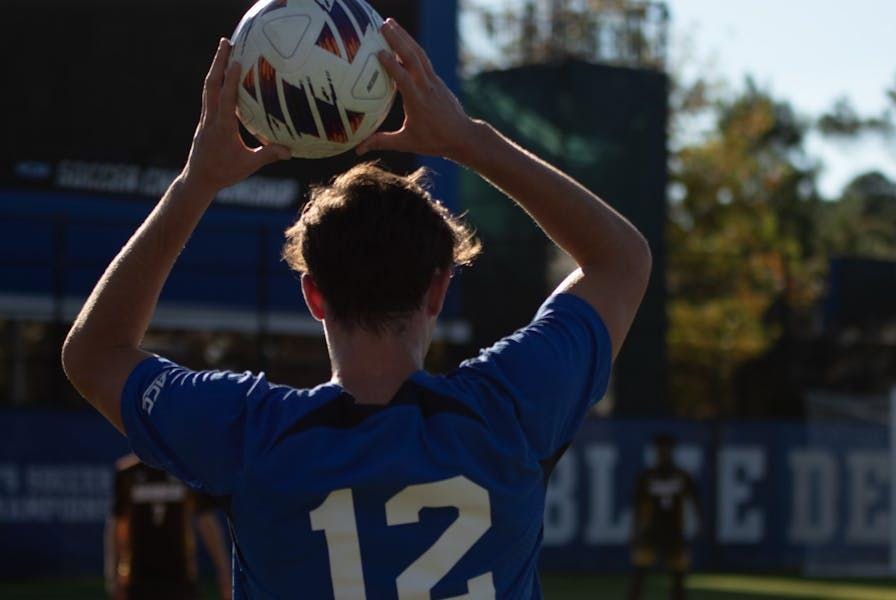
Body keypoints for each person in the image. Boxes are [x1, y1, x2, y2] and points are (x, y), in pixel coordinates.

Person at [62, 18, 650, 599]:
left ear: (313, 295)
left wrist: (196, 183)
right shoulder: (508, 412)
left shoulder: (250, 436)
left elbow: (94, 353)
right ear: (437, 290)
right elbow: (621, 261)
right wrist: (468, 139)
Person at [107, 454, 231, 600]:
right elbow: (118, 527)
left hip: (180, 575)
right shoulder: (128, 472)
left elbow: (206, 521)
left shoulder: (186, 471)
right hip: (138, 576)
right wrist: (114, 576)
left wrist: (224, 571)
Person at [627, 434, 701, 600]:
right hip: (651, 531)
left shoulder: (683, 476)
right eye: (661, 449)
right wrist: (634, 531)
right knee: (639, 577)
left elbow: (695, 503)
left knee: (678, 580)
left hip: (675, 532)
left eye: (667, 449)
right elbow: (638, 507)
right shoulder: (646, 477)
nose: (664, 453)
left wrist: (697, 525)